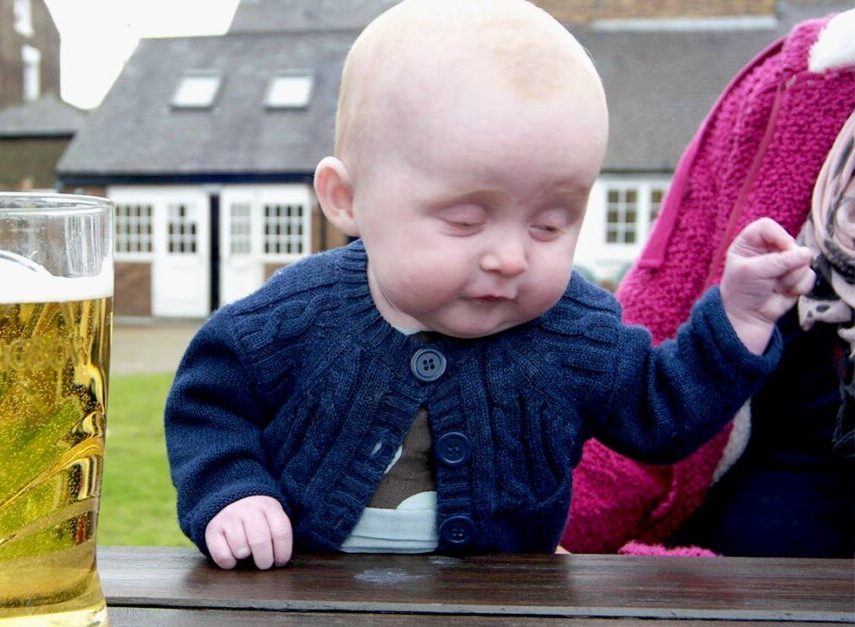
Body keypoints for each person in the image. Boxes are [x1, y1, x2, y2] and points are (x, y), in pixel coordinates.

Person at [164, 0, 816, 570]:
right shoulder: (297, 314)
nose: (509, 257)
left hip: (501, 603)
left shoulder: (573, 331)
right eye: (465, 220)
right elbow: (209, 402)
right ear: (346, 198)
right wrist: (232, 491)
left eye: (549, 224)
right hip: (303, 600)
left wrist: (737, 320)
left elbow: (661, 411)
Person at [562, 10, 855, 558]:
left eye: (549, 224)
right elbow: (649, 399)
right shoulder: (798, 84)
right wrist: (734, 322)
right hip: (761, 563)